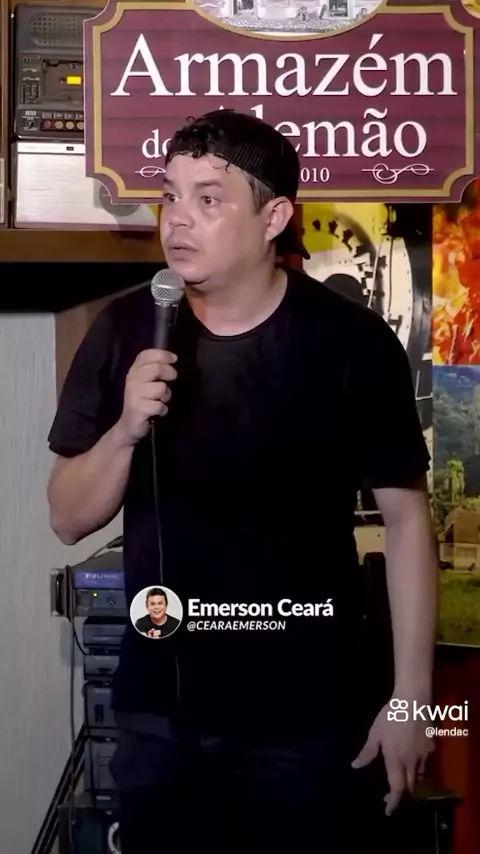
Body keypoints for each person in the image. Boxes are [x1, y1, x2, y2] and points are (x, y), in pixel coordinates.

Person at [47, 109, 438, 853]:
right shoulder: (125, 330)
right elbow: (67, 517)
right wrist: (124, 429)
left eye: (209, 199)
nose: (177, 219)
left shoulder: (350, 343)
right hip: (161, 718)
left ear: (274, 218)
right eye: (170, 196)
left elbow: (407, 520)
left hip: (308, 720)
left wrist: (411, 699)